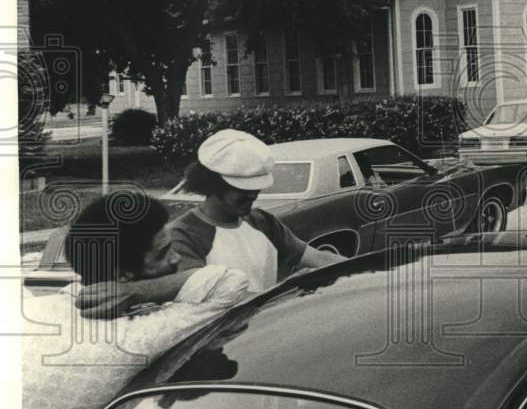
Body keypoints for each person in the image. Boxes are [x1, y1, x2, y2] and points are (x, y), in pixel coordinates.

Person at [22, 194, 252, 409]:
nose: (176, 258)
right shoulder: (134, 339)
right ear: (124, 275)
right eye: (162, 253)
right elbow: (231, 284)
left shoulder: (34, 310)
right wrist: (142, 292)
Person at [76, 129, 345, 318]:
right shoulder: (183, 237)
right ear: (212, 184)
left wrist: (371, 271)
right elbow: (216, 303)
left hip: (269, 330)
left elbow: (317, 258)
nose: (253, 195)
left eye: (257, 189)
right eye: (243, 189)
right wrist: (290, 290)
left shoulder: (261, 221)